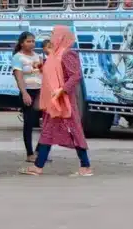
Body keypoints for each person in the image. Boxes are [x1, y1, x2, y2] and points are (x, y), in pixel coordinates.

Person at [20, 25, 93, 177]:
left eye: (54, 34)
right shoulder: (56, 54)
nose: (52, 36)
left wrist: (62, 90)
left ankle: (85, 166)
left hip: (64, 101)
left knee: (74, 131)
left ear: (61, 36)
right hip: (53, 101)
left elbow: (76, 75)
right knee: (48, 131)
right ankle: (38, 166)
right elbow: (51, 71)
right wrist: (41, 67)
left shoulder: (67, 54)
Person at [11, 31, 43, 162]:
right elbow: (19, 77)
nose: (31, 44)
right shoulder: (18, 57)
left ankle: (40, 151)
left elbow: (43, 74)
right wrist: (24, 93)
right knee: (29, 123)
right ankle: (30, 153)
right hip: (28, 92)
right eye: (28, 41)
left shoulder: (38, 56)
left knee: (46, 123)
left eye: (33, 41)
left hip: (40, 91)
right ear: (22, 43)